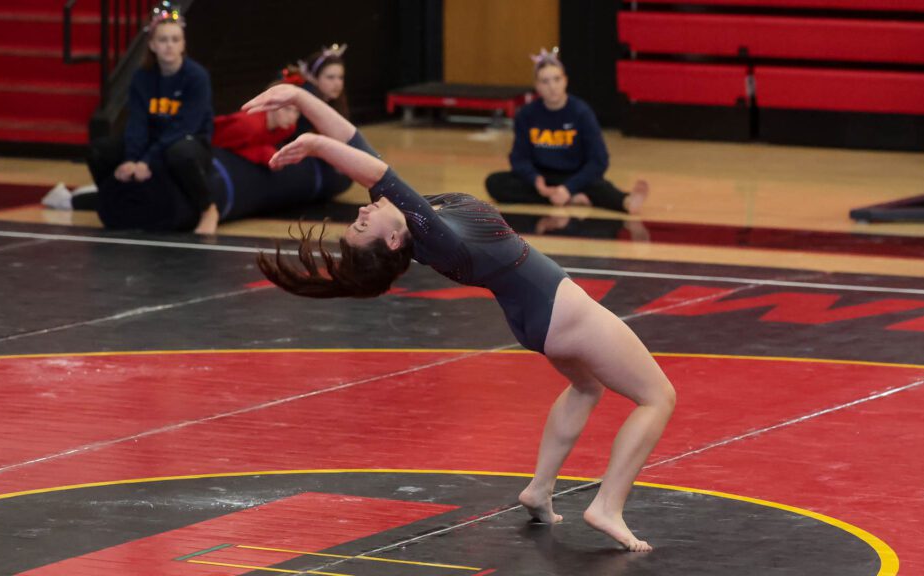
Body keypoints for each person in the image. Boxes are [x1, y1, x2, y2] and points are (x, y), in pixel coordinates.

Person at [245, 83, 676, 552]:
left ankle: (539, 489)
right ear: (392, 242)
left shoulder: (416, 220)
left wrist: (300, 99)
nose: (366, 207)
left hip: (536, 318)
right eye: (364, 222)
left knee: (586, 386)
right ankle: (608, 504)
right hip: (560, 308)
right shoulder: (433, 236)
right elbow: (376, 169)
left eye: (361, 214)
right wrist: (312, 145)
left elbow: (354, 143)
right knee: (658, 396)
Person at [44, 1, 217, 233]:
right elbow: (137, 122)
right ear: (153, 45)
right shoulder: (142, 77)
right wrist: (131, 158)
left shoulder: (196, 77)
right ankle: (112, 198)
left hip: (188, 142)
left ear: (183, 44)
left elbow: (186, 125)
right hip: (150, 142)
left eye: (175, 40)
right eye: (163, 40)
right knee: (99, 150)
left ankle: (208, 209)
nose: (169, 46)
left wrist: (146, 160)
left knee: (179, 153)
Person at [485, 48, 648, 214]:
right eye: (545, 81)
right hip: (542, 177)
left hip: (574, 176)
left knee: (599, 186)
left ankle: (625, 201)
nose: (552, 87)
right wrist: (535, 179)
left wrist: (569, 188)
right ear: (537, 86)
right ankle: (571, 198)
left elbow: (599, 161)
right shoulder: (526, 114)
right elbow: (518, 158)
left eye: (557, 79)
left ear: (565, 81)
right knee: (495, 182)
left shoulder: (581, 112)